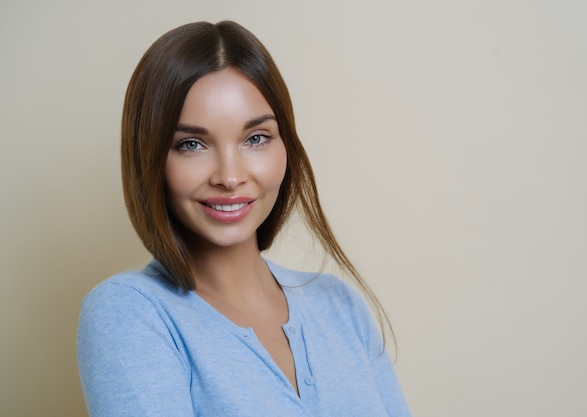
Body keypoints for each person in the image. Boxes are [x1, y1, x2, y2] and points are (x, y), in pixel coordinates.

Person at [77, 21, 411, 417]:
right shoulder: (130, 314)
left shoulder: (339, 305)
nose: (230, 176)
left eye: (256, 138)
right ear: (150, 159)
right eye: (191, 144)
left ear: (285, 146)